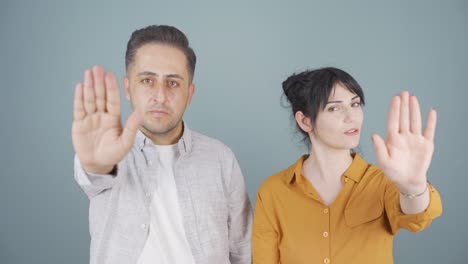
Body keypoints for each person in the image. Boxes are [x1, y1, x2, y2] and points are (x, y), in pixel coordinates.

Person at [72, 25, 252, 264]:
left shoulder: (220, 158)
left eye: (173, 83)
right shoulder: (107, 153)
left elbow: (243, 250)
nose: (160, 96)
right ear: (128, 88)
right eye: (147, 80)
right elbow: (95, 172)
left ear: (190, 93)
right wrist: (96, 164)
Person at [252, 67, 442, 264]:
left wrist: (413, 187)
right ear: (305, 121)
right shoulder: (272, 192)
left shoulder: (382, 182)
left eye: (355, 104)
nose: (352, 117)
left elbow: (417, 217)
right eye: (334, 108)